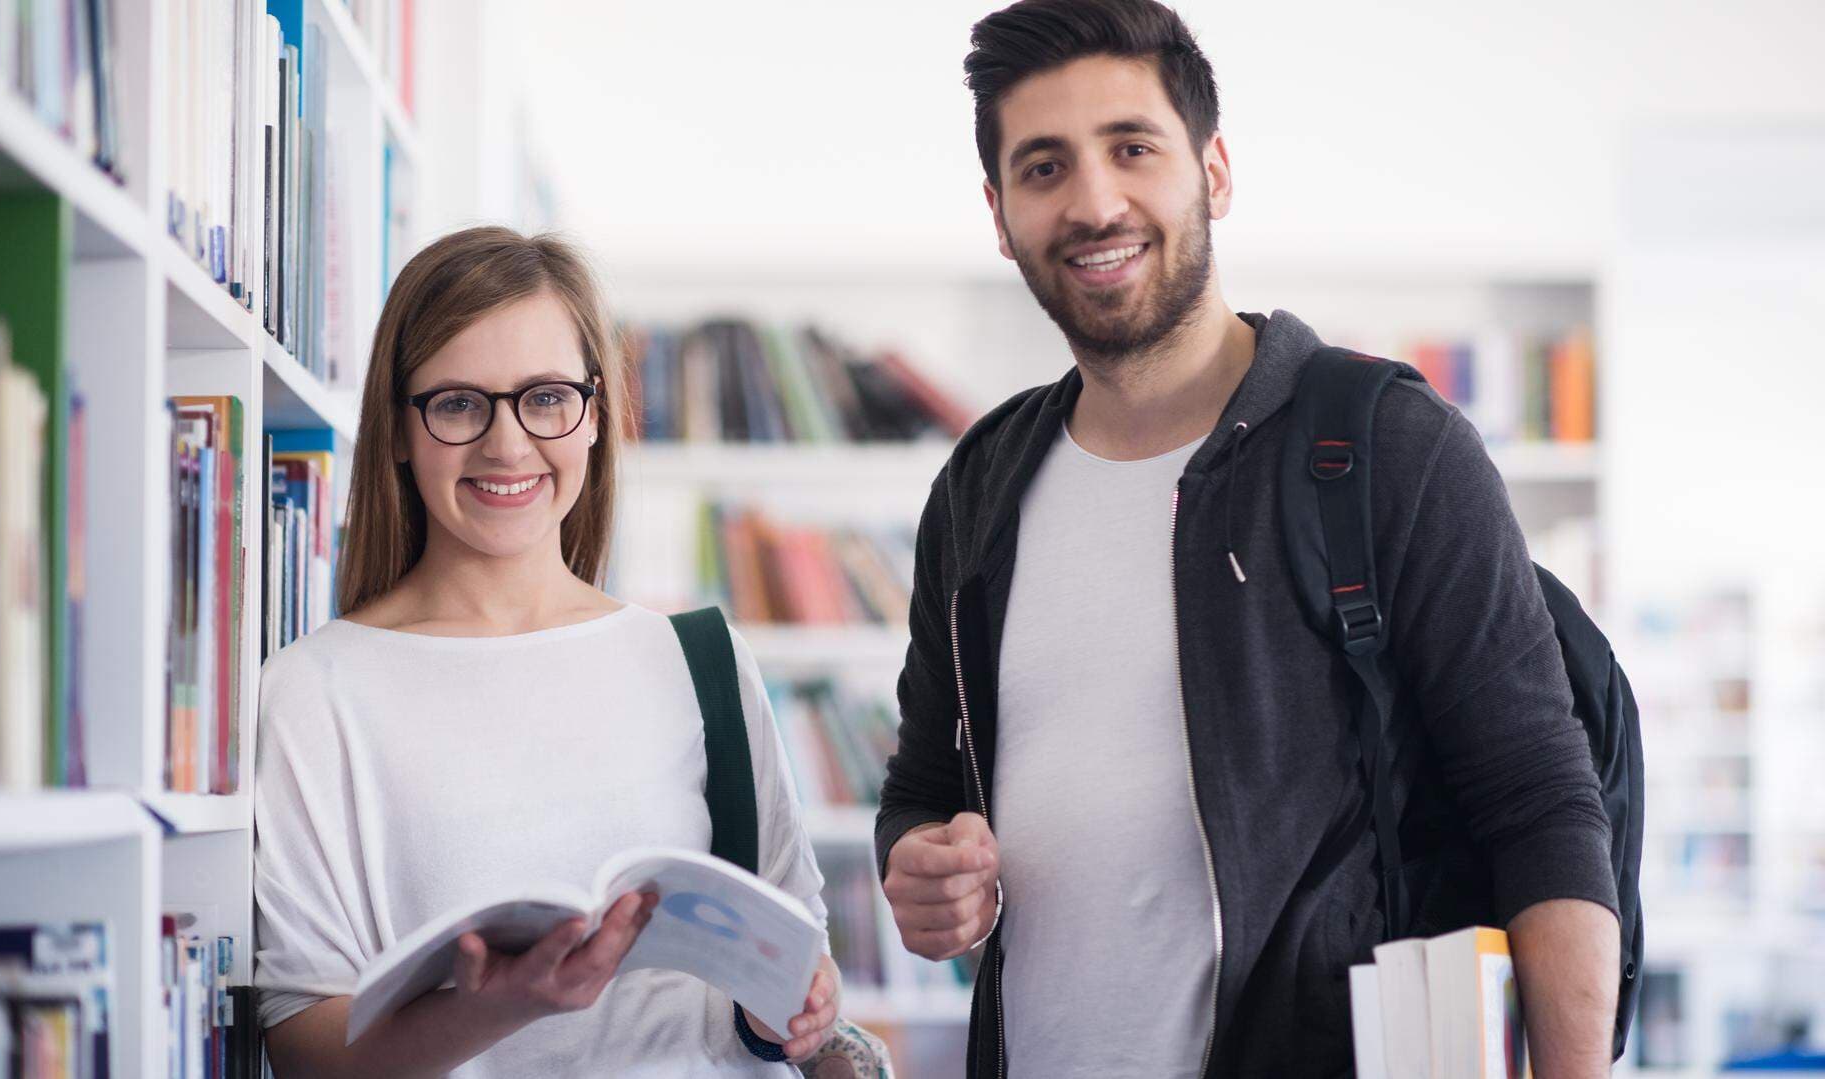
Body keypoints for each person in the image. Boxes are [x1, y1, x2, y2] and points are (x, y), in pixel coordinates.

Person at [874, 2, 1621, 1076]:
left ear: (1213, 172)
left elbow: (1541, 800)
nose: (1094, 201)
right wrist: (918, 863)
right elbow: (921, 781)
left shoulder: (1391, 445)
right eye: (1044, 167)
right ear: (1001, 215)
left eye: (1133, 147)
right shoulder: (980, 482)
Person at [252, 227, 840, 1077]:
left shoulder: (700, 661)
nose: (508, 444)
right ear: (397, 431)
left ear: (594, 414)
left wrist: (802, 1003)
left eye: (547, 397)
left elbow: (796, 953)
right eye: (458, 402)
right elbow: (303, 1045)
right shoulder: (317, 688)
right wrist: (496, 1008)